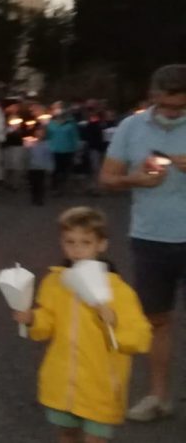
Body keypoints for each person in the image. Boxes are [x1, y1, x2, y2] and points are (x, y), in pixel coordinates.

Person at [13, 208, 152, 442]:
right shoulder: (55, 282)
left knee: (95, 439)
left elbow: (141, 337)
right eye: (70, 242)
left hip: (101, 385)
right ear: (62, 243)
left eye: (85, 242)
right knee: (67, 432)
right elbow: (48, 323)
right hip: (62, 381)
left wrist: (114, 321)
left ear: (102, 244)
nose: (77, 249)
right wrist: (32, 319)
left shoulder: (119, 291)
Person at [100, 64, 186, 422]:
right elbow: (106, 178)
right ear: (153, 96)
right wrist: (135, 179)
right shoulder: (131, 127)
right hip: (150, 238)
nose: (172, 114)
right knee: (157, 320)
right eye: (167, 106)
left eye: (180, 108)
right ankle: (158, 396)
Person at [47, 102, 81, 196]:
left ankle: (63, 187)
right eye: (55, 108)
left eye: (59, 108)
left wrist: (77, 149)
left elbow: (75, 136)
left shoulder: (71, 122)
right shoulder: (51, 122)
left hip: (68, 149)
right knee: (56, 170)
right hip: (55, 149)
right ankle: (55, 188)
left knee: (66, 169)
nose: (57, 110)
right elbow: (49, 136)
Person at [27, 126, 53, 206]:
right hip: (32, 166)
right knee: (33, 183)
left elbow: (49, 156)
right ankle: (34, 197)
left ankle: (39, 198)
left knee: (40, 183)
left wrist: (50, 166)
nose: (39, 134)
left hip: (42, 167)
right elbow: (26, 154)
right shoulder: (30, 142)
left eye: (42, 132)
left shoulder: (47, 143)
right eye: (38, 132)